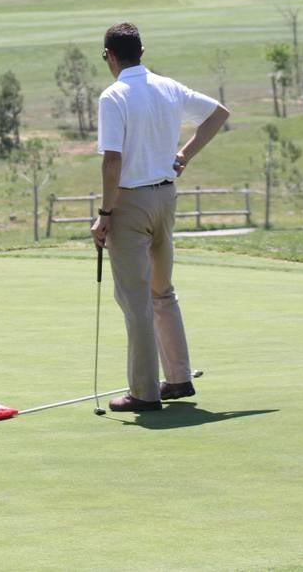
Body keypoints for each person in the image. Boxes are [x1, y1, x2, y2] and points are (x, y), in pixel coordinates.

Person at [90, 23, 230, 413]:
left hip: (130, 203)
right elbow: (218, 115)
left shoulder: (113, 95)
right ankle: (179, 377)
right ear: (142, 51)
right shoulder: (168, 87)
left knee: (136, 300)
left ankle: (144, 393)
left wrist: (104, 214)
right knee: (162, 291)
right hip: (166, 197)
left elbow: (112, 159)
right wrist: (183, 155)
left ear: (110, 56)